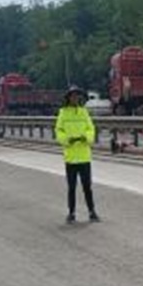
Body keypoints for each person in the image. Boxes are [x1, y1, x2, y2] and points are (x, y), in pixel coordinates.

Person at [54, 85, 98, 223]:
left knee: (87, 187)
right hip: (71, 157)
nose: (75, 98)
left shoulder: (84, 112)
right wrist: (67, 140)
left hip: (84, 156)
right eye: (72, 96)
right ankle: (71, 213)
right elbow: (58, 131)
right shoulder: (63, 113)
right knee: (72, 188)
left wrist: (87, 137)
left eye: (77, 96)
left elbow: (91, 128)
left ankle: (92, 212)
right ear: (68, 98)